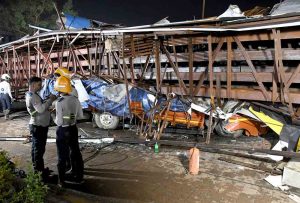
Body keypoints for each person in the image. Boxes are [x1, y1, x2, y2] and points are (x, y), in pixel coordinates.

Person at [54, 76, 84, 187]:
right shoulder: (75, 99)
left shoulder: (59, 102)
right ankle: (79, 177)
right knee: (76, 153)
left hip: (63, 130)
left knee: (62, 156)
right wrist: (71, 116)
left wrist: (54, 118)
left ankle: (61, 181)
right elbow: (80, 115)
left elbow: (60, 121)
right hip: (73, 128)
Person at [25, 76, 56, 181]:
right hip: (38, 126)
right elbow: (41, 109)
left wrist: (46, 103)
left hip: (38, 125)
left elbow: (38, 109)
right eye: (39, 84)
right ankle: (39, 174)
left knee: (37, 149)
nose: (41, 86)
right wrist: (51, 100)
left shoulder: (33, 95)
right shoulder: (33, 96)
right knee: (38, 150)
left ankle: (39, 170)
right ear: (33, 85)